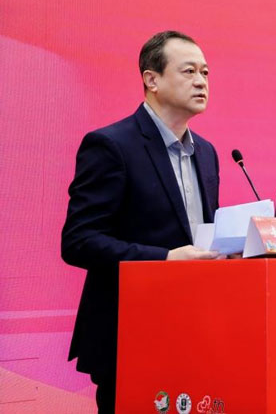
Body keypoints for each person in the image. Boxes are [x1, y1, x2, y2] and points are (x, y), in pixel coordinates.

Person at [61, 31, 221, 413]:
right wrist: (165, 258)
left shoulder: (208, 153)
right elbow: (79, 241)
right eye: (189, 71)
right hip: (130, 334)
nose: (201, 81)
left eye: (205, 72)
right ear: (152, 79)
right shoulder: (112, 145)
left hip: (194, 333)